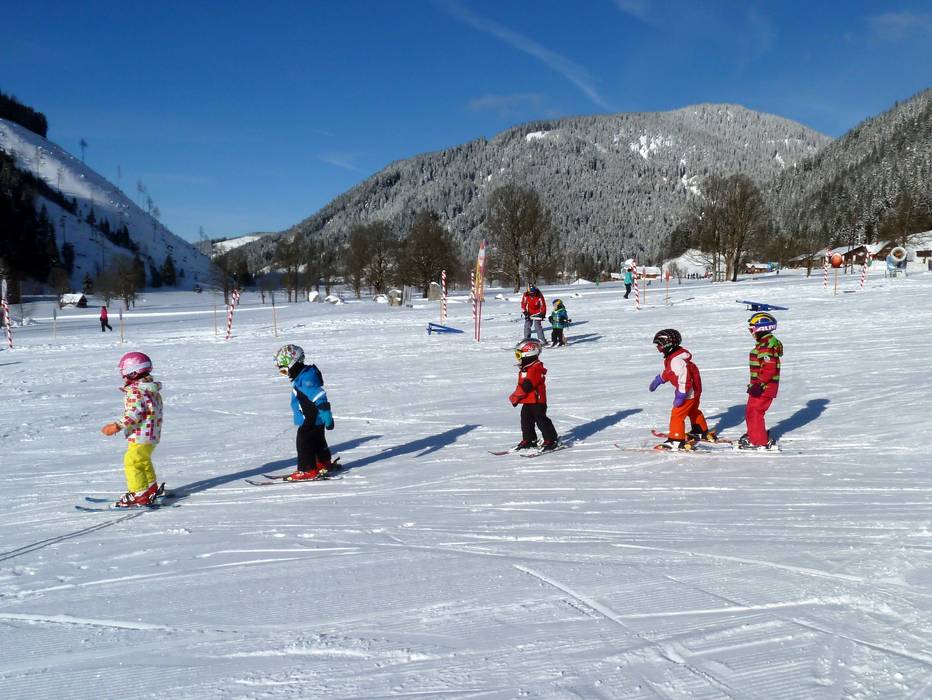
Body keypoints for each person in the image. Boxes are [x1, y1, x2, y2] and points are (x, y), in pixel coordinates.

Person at [100, 352, 163, 507]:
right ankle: (150, 487)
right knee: (142, 460)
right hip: (152, 434)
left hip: (140, 434)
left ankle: (139, 493)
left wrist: (116, 426)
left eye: (125, 374)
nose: (123, 377)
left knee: (132, 462)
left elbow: (134, 413)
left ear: (133, 373)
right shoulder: (150, 389)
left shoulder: (136, 391)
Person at [275, 344, 335, 480]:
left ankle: (307, 469)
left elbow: (319, 396)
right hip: (315, 418)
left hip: (310, 418)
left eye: (284, 371)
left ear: (293, 363)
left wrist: (326, 413)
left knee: (304, 441)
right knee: (318, 440)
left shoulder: (305, 379)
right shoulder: (305, 376)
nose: (286, 375)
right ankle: (323, 462)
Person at [648, 329, 712, 450]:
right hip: (695, 390)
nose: (658, 348)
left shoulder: (676, 361)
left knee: (677, 414)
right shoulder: (675, 357)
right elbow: (669, 372)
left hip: (687, 392)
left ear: (667, 345)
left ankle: (676, 440)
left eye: (659, 345)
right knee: (692, 410)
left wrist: (681, 395)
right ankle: (700, 431)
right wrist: (659, 379)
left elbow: (684, 379)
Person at [738, 313, 782, 450]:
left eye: (752, 329)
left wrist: (759, 384)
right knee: (751, 411)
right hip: (760, 386)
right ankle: (754, 434)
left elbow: (769, 369)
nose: (751, 333)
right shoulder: (764, 344)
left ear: (761, 329)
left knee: (755, 412)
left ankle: (759, 441)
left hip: (764, 387)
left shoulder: (766, 347)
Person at [509, 339, 560, 451]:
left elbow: (527, 385)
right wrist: (518, 395)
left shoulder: (536, 368)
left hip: (538, 401)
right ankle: (529, 439)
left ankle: (551, 439)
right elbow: (521, 384)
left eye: (518, 355)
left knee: (541, 419)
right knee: (525, 419)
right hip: (528, 400)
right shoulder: (526, 367)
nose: (518, 358)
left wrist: (516, 396)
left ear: (528, 354)